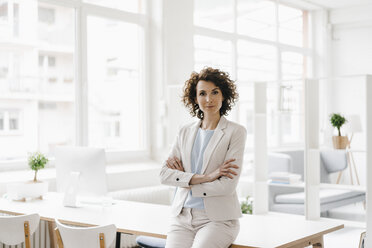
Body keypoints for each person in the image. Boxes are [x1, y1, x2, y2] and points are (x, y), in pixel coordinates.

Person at [159, 67, 247, 248]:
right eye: (202, 93)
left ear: (224, 95)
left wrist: (185, 181)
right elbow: (164, 175)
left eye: (215, 92)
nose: (209, 99)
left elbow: (227, 185)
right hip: (182, 217)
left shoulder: (235, 132)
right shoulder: (184, 131)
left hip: (217, 220)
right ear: (195, 98)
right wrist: (207, 177)